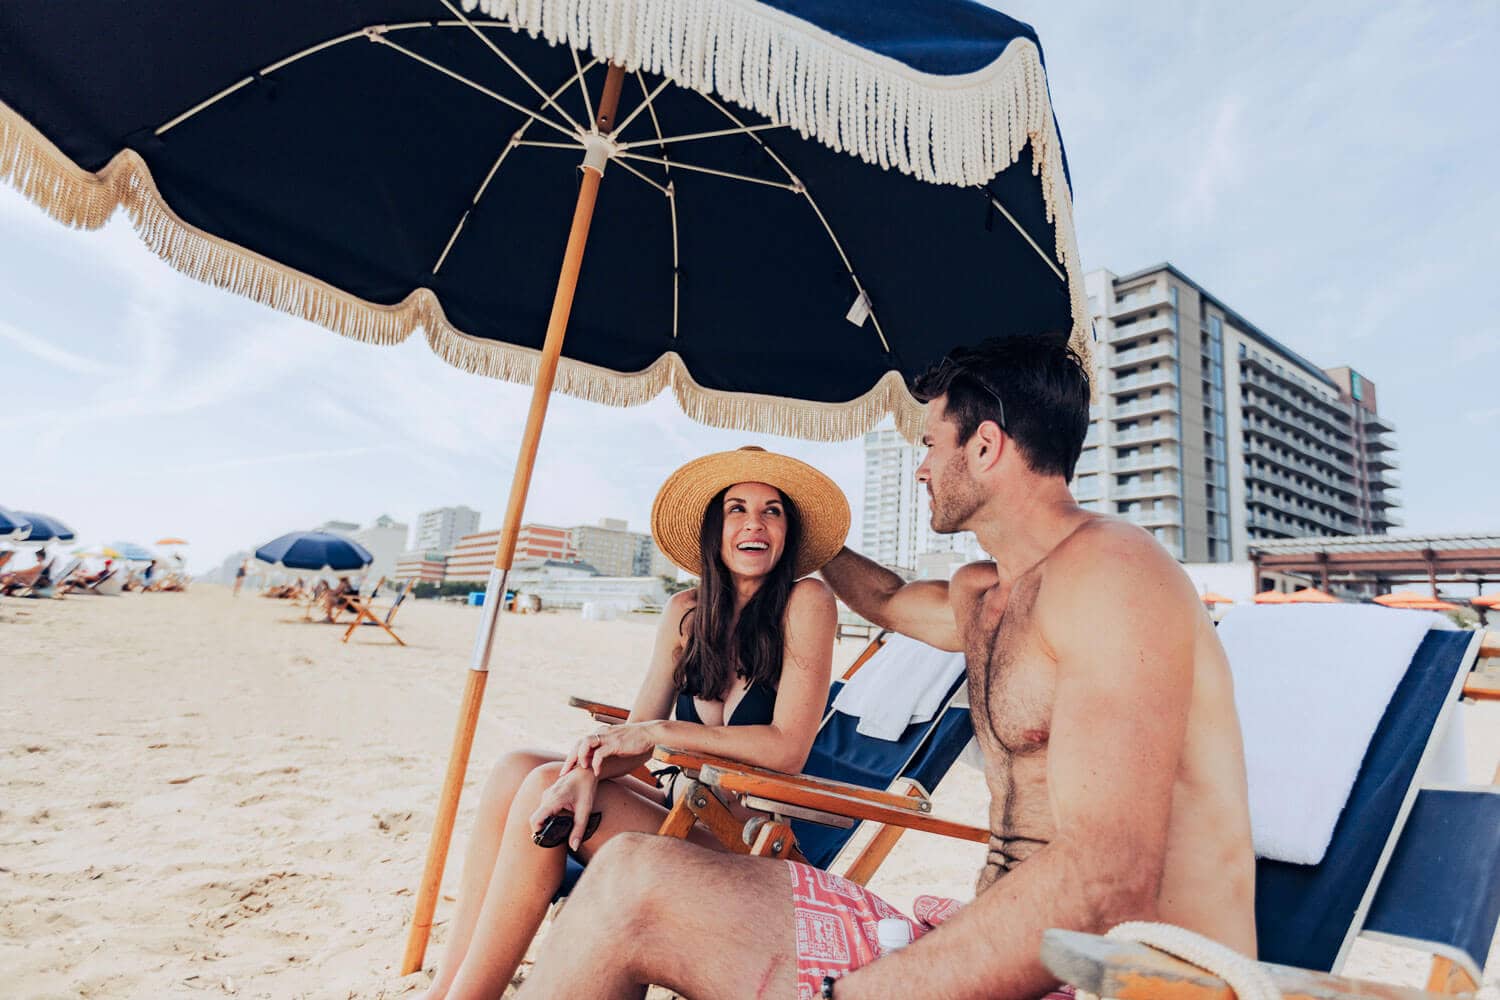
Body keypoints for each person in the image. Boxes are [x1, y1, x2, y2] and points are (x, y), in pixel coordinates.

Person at [515, 335, 1256, 1000]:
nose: (922, 468)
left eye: (931, 445)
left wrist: (867, 992)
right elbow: (892, 598)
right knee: (627, 880)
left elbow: (1105, 882)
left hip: (1121, 978)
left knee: (632, 889)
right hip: (999, 946)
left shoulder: (1113, 573)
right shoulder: (988, 594)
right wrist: (801, 527)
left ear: (987, 446)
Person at [419, 447, 848, 1000]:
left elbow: (787, 747)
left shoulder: (805, 601)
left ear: (787, 532)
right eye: (737, 509)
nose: (754, 524)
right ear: (714, 529)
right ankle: (448, 987)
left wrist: (658, 734)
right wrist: (588, 764)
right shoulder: (685, 612)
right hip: (681, 812)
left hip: (742, 844)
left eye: (772, 511)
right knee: (518, 769)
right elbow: (637, 742)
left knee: (538, 787)